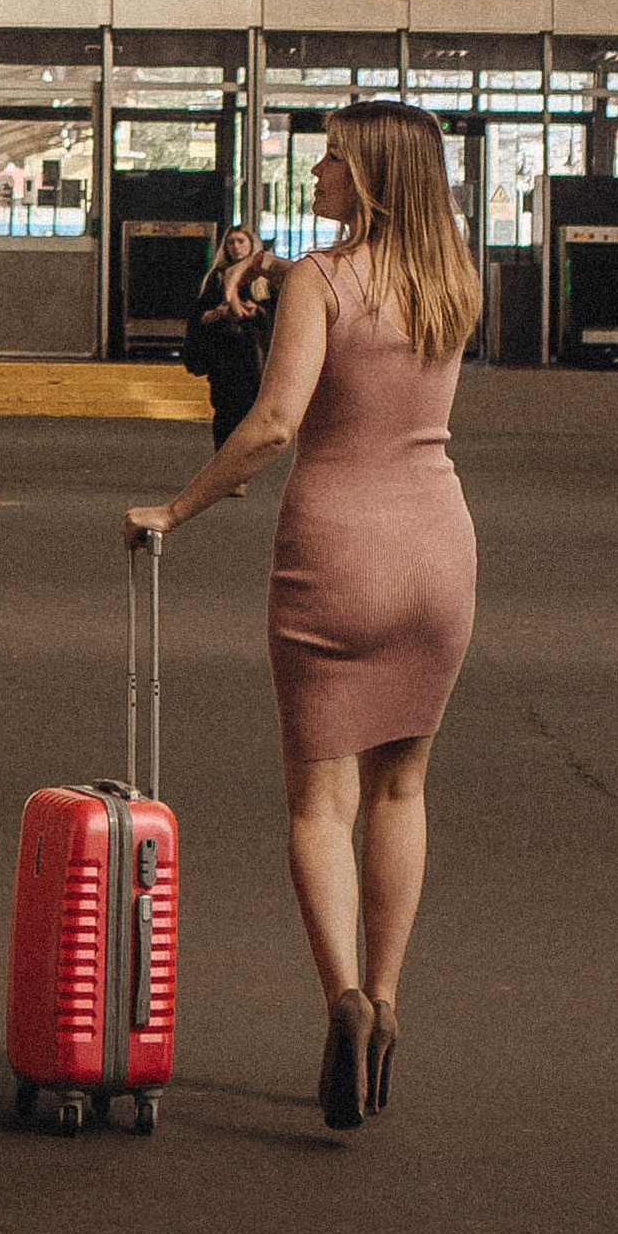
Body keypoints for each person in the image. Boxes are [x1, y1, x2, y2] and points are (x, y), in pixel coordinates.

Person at [127, 103, 477, 1134]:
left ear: (365, 174)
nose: (316, 168)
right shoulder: (454, 276)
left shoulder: (319, 281)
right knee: (401, 792)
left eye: (331, 154)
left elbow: (274, 423)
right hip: (439, 552)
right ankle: (391, 995)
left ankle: (343, 1002)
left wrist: (175, 509)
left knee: (318, 805)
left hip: (338, 549)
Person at [183, 224, 278, 445]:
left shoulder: (264, 282)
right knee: (225, 413)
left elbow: (275, 316)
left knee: (250, 412)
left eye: (240, 241)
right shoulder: (216, 278)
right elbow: (199, 318)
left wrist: (256, 312)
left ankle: (240, 466)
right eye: (231, 242)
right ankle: (225, 464)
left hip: (253, 356)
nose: (236, 247)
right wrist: (220, 313)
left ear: (251, 244)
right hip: (223, 356)